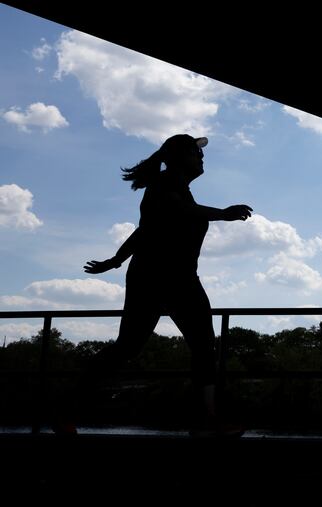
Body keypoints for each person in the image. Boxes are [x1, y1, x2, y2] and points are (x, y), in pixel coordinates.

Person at [54, 134, 252, 437]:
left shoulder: (177, 189)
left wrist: (115, 260)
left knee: (200, 345)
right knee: (131, 348)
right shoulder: (164, 186)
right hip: (157, 278)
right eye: (195, 152)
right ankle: (66, 412)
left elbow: (144, 230)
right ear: (178, 158)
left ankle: (207, 419)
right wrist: (223, 214)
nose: (202, 158)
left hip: (177, 277)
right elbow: (174, 215)